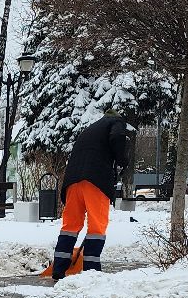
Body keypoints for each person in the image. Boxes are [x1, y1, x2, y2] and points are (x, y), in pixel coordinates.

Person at [46, 112, 133, 278]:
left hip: (72, 181)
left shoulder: (90, 129)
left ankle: (59, 269)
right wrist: (123, 160)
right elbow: (117, 137)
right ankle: (91, 271)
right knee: (97, 226)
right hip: (95, 180)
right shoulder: (116, 122)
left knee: (70, 226)